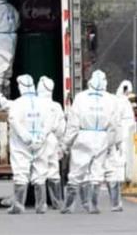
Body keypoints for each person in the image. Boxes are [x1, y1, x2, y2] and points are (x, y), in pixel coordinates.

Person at [61, 70, 118, 214]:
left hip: (83, 136)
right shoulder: (110, 99)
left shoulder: (81, 98)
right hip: (102, 137)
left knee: (76, 172)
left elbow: (73, 124)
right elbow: (113, 125)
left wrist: (66, 144)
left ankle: (68, 206)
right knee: (97, 172)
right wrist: (110, 144)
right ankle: (93, 205)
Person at [7, 75, 53, 215]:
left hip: (22, 144)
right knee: (40, 172)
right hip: (40, 143)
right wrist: (41, 136)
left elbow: (14, 122)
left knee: (21, 172)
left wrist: (26, 138)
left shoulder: (17, 104)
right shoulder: (44, 104)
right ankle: (41, 205)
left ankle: (19, 205)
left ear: (20, 87)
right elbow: (49, 122)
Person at [104, 80, 136, 212]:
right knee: (122, 160)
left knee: (123, 160)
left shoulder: (120, 101)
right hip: (124, 133)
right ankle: (122, 183)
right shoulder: (122, 102)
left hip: (124, 133)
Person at [37, 76, 66, 210]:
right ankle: (57, 202)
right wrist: (61, 144)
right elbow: (61, 127)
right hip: (53, 139)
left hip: (39, 139)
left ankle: (41, 203)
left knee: (39, 170)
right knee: (54, 170)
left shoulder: (35, 103)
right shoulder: (56, 106)